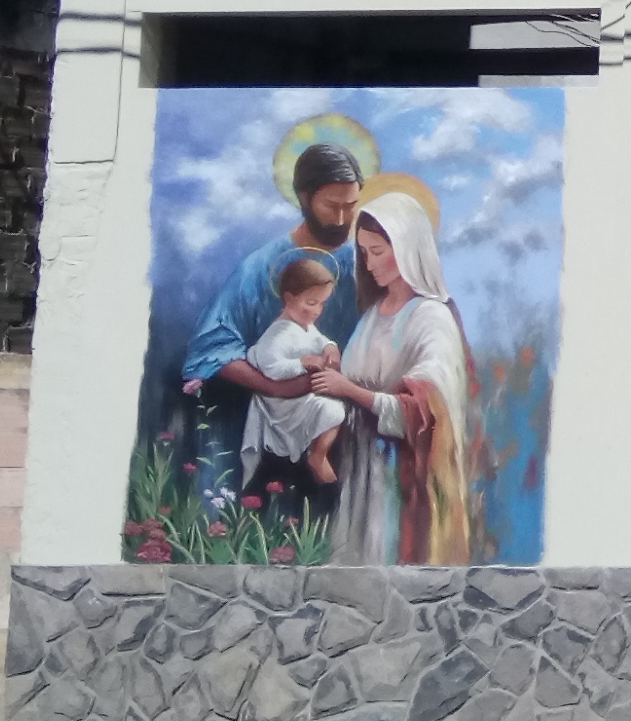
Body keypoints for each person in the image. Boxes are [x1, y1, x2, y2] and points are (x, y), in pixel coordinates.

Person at [311, 191, 478, 565]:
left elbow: (427, 408)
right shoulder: (373, 314)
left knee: (387, 562)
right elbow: (357, 379)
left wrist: (348, 389)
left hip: (399, 477)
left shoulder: (431, 317)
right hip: (360, 468)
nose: (368, 263)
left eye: (377, 251)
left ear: (407, 247)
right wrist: (333, 374)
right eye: (363, 252)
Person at [183, 141, 363, 419]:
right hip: (278, 416)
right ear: (304, 198)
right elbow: (210, 347)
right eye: (331, 206)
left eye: (350, 206)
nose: (341, 219)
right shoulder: (259, 268)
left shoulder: (367, 261)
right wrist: (276, 387)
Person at [240, 256, 348, 489]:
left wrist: (330, 347)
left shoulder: (304, 324)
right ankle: (318, 456)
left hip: (301, 398)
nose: (317, 311)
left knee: (336, 410)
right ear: (289, 299)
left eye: (322, 304)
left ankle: (318, 453)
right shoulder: (278, 334)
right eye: (311, 303)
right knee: (333, 411)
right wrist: (302, 363)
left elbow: (319, 338)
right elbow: (272, 369)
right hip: (282, 406)